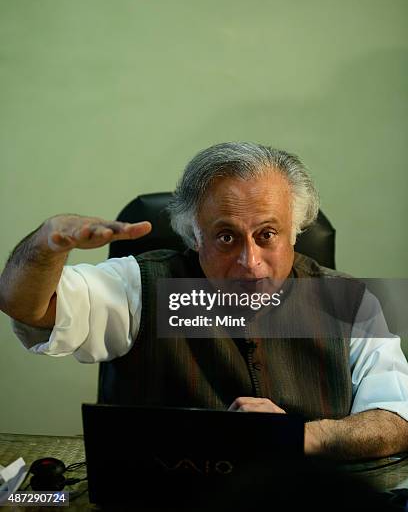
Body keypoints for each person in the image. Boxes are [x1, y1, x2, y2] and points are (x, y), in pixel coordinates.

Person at [1, 142, 408, 460]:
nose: (250, 262)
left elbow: (396, 419)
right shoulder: (145, 287)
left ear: (295, 231)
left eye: (267, 234)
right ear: (195, 236)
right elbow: (26, 307)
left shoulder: (347, 300)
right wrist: (43, 247)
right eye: (226, 237)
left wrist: (300, 436)